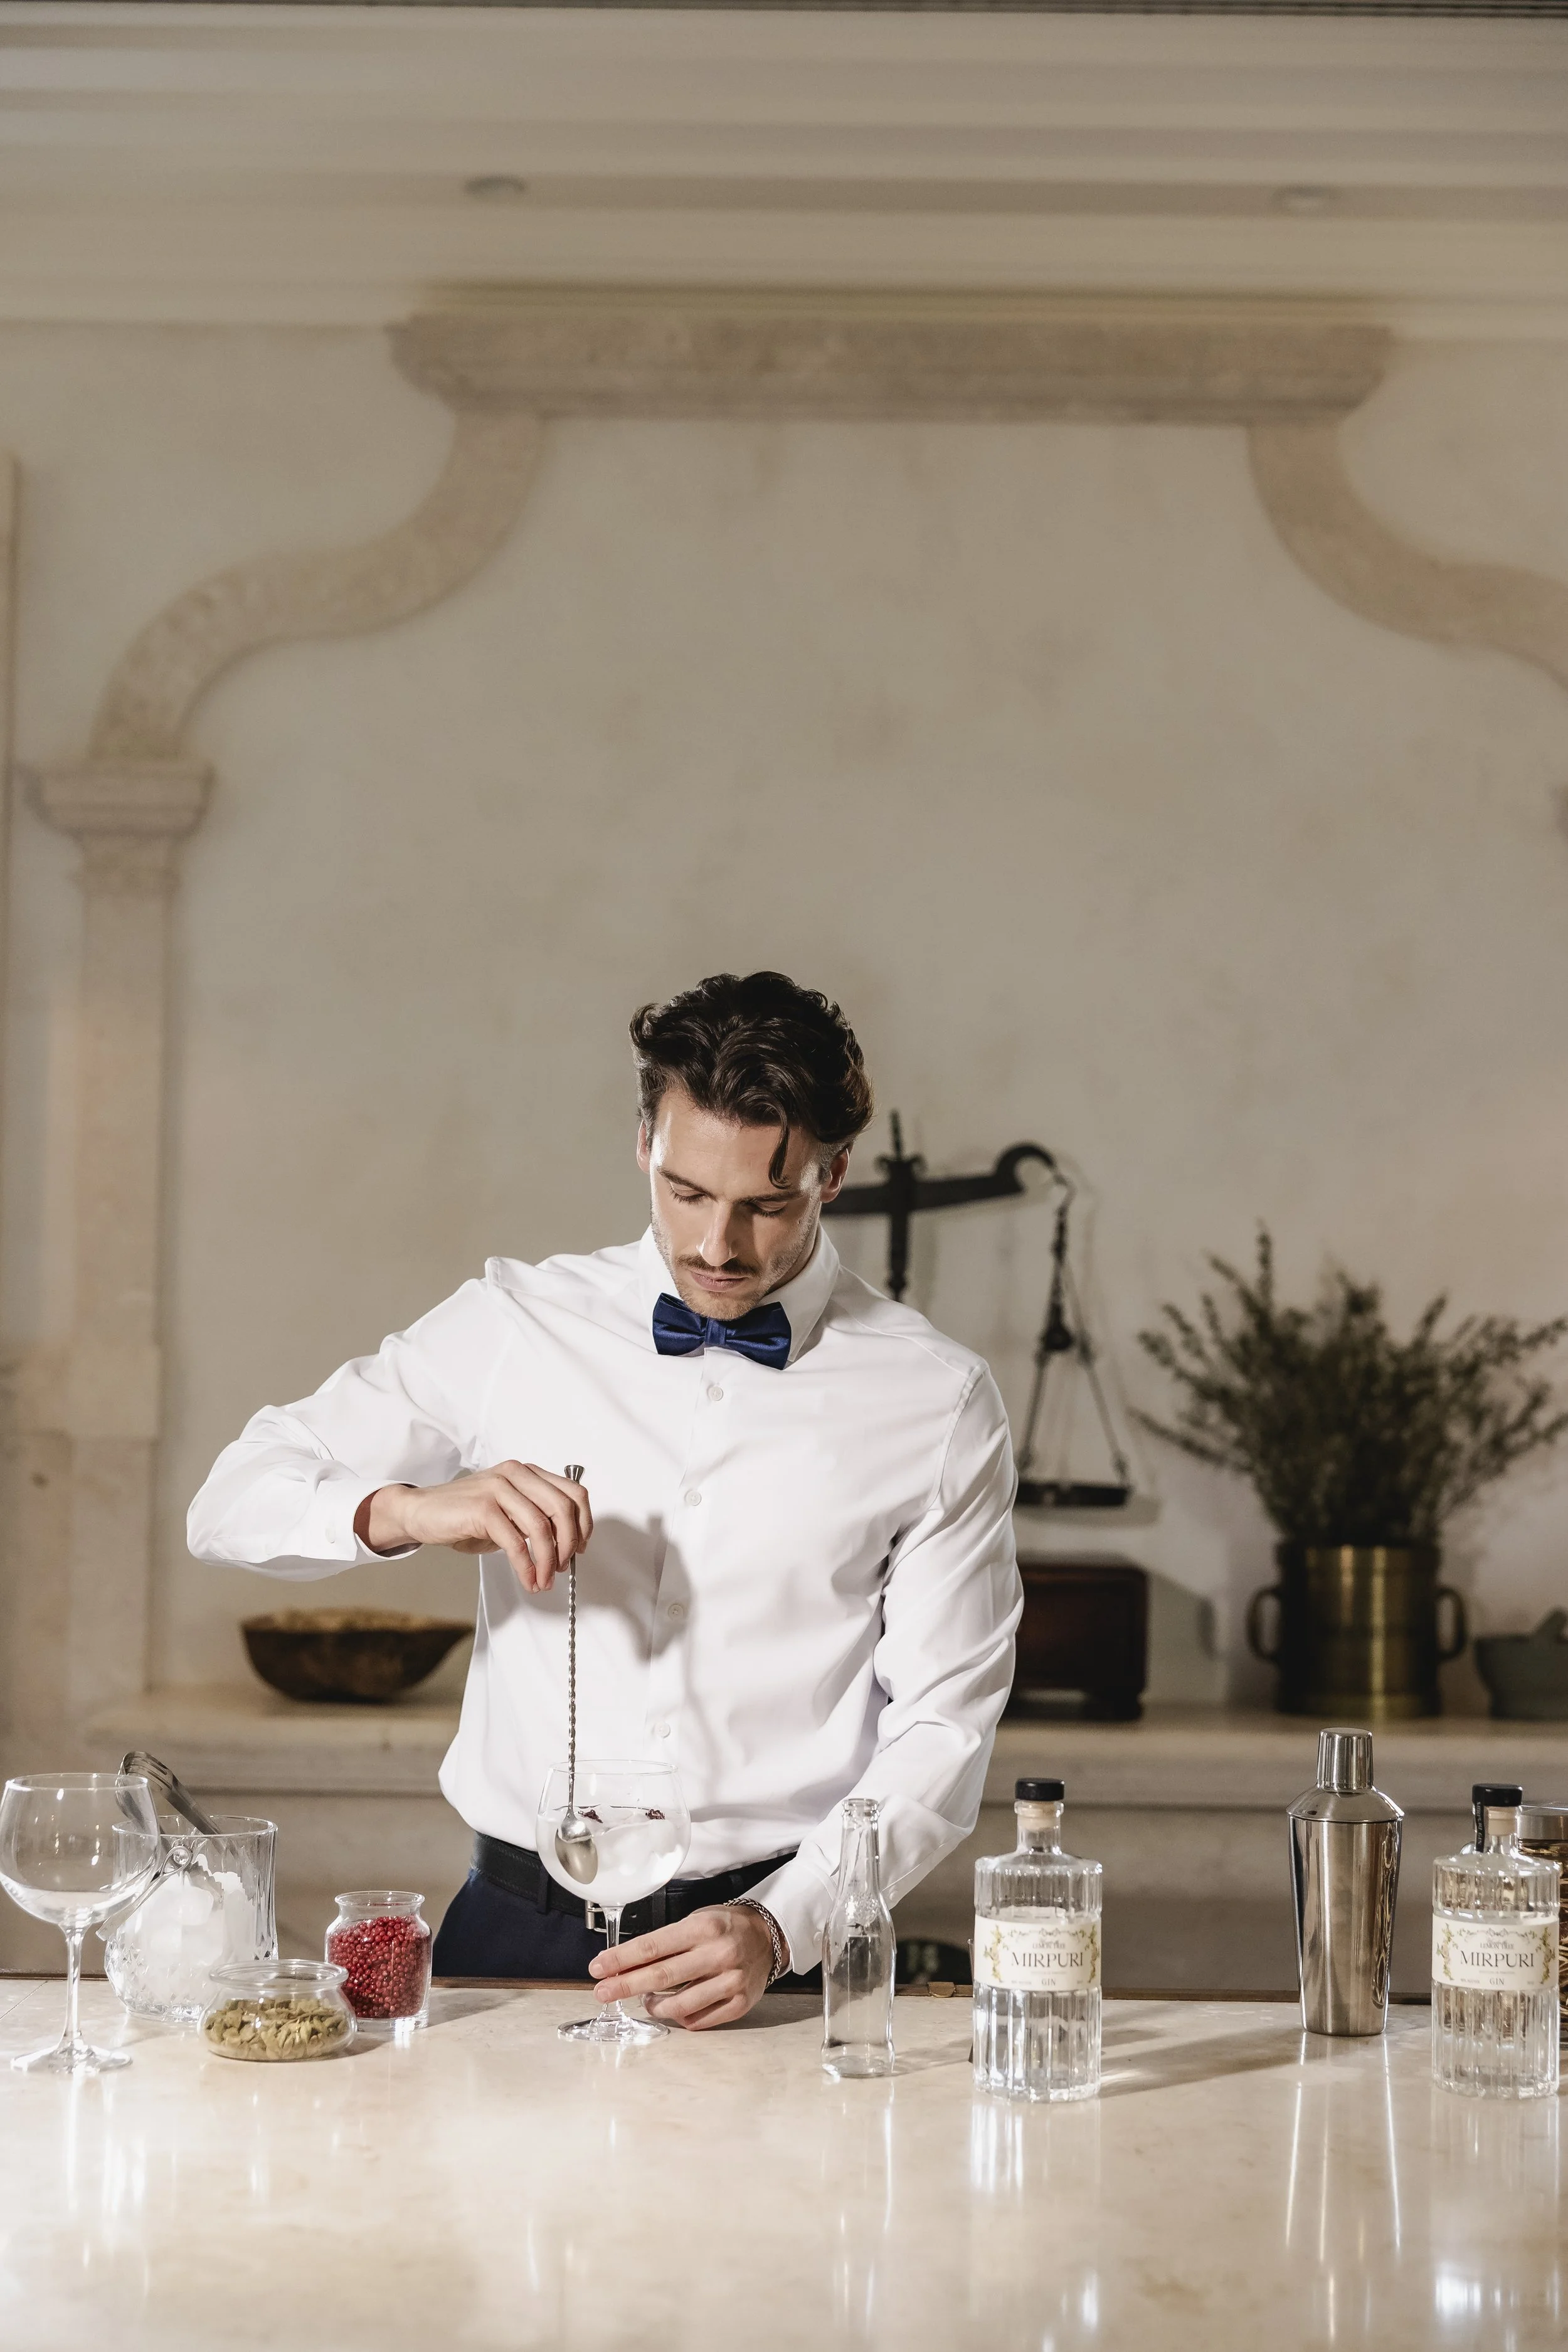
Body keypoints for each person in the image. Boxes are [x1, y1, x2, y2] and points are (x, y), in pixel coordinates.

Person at [189, 971, 1021, 2029]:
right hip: (510, 1942)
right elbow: (228, 1500)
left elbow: (945, 1724)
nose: (719, 1245)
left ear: (835, 1172)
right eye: (686, 1191)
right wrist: (410, 1509)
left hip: (772, 1960)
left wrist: (784, 1922)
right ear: (644, 1145)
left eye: (766, 1205)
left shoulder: (936, 1397)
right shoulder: (510, 1324)